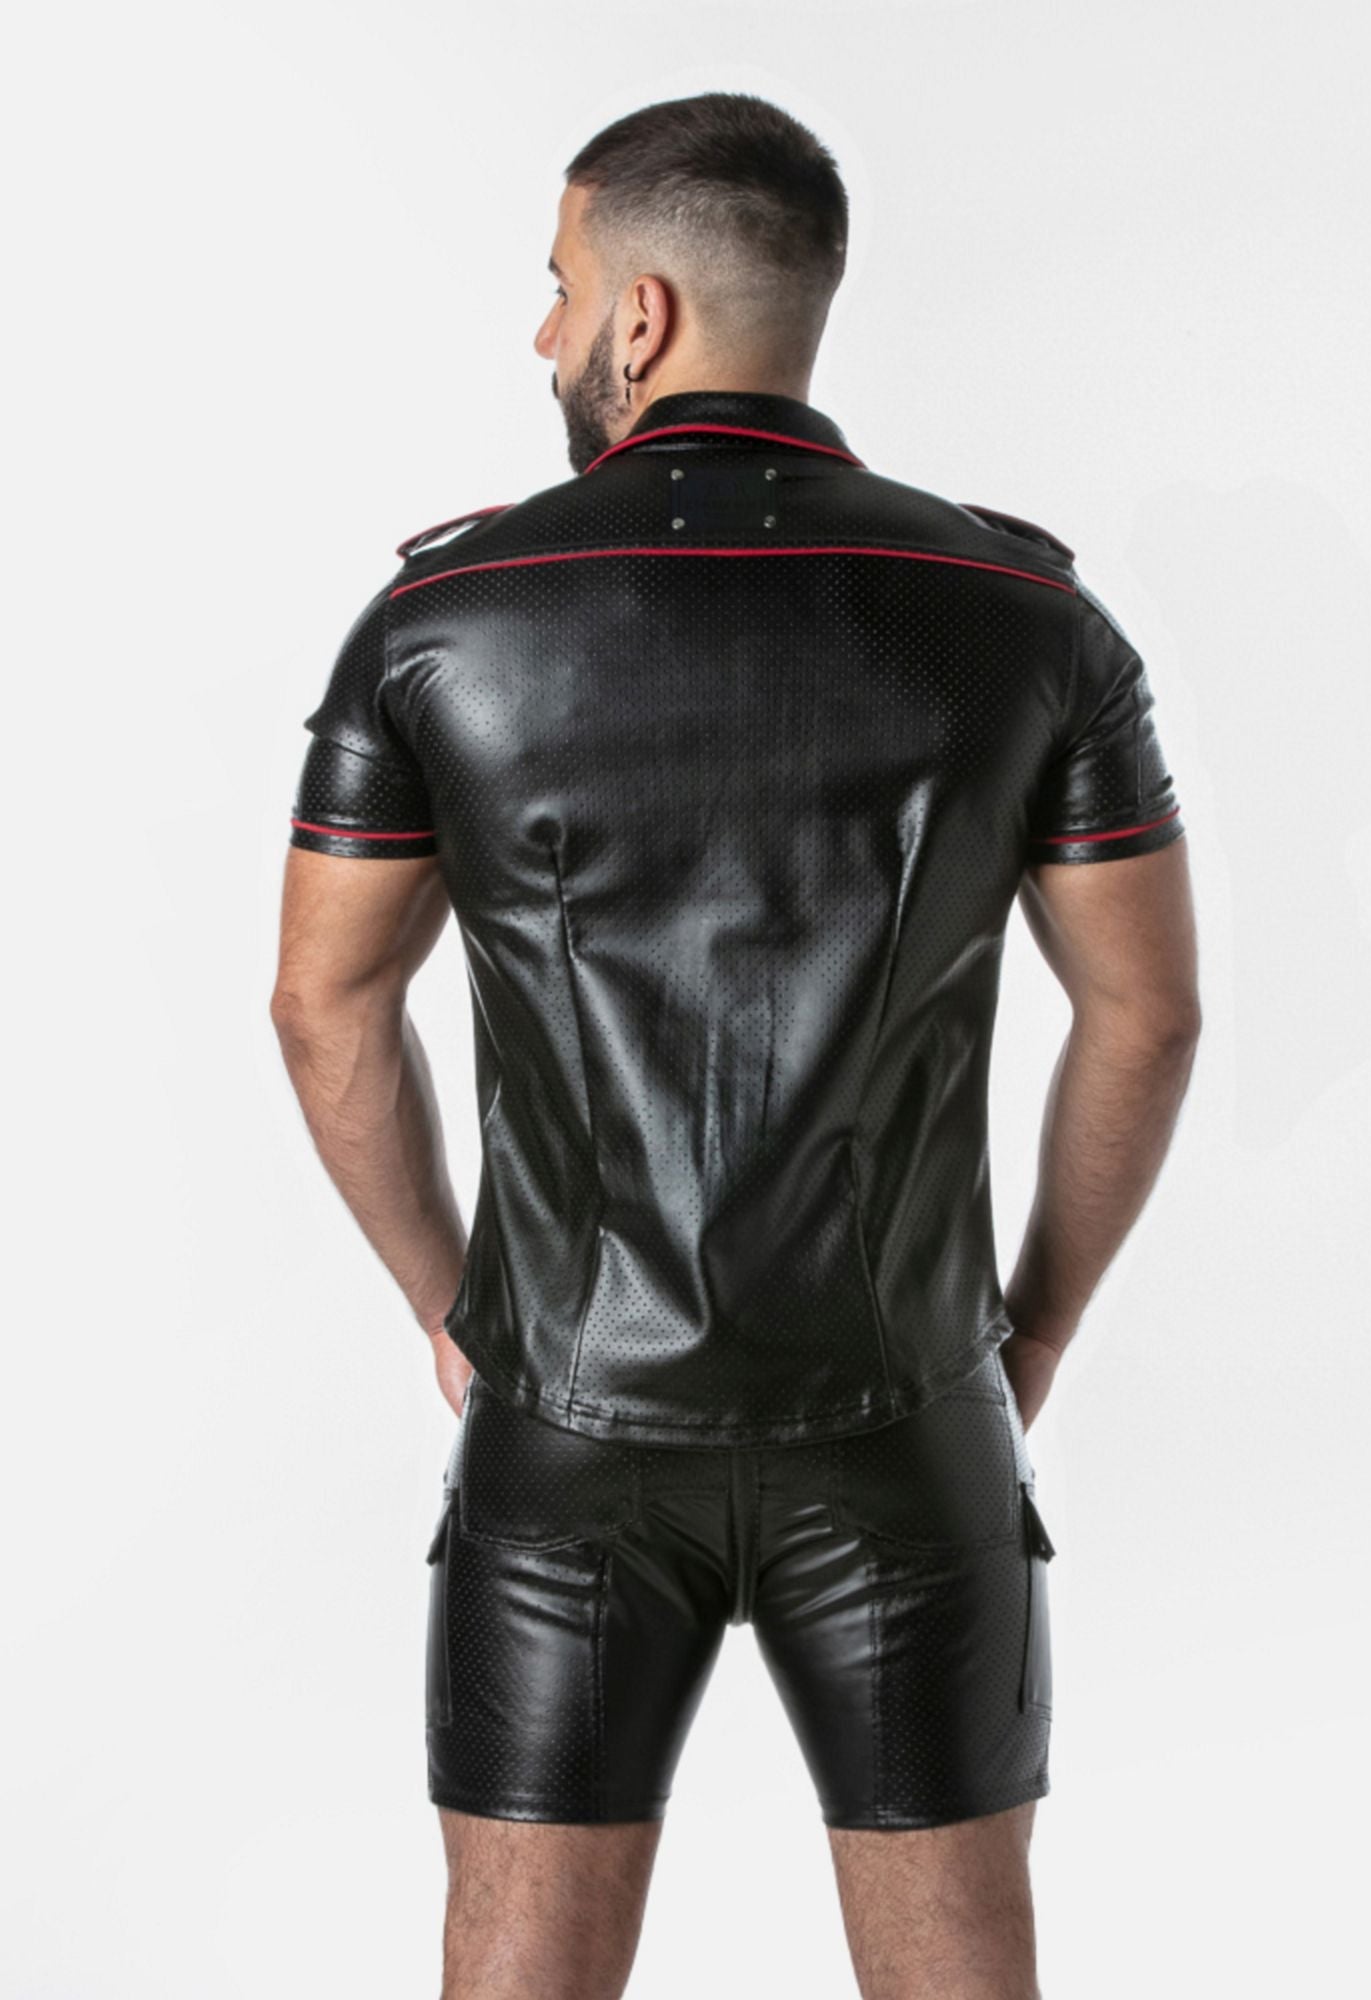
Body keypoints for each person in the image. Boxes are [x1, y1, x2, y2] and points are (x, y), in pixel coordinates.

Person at [271, 89, 1201, 2000]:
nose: (543, 331)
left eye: (558, 287)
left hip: (566, 1421)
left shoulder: (445, 616)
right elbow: (1150, 1010)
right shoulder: (1027, 616)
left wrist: (458, 1310)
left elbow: (321, 1002)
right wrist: (1027, 1337)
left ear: (644, 316)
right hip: (907, 1410)